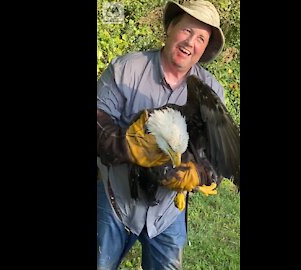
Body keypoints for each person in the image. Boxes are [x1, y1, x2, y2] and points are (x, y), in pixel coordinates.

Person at [97, 1, 226, 269]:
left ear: (204, 48)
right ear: (170, 28)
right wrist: (127, 146)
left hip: (168, 212)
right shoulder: (126, 70)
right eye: (186, 30)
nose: (190, 42)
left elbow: (219, 155)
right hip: (116, 200)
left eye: (201, 38)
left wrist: (200, 173)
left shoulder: (211, 92)